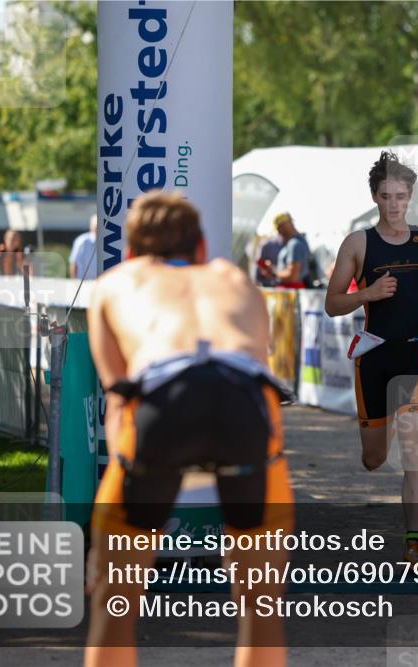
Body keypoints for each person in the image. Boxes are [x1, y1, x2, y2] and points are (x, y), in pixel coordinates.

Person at [85, 192, 293, 667]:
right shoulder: (233, 279)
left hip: (164, 400)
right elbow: (256, 375)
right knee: (261, 602)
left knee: (114, 600)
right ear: (201, 247)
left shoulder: (116, 282)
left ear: (132, 251)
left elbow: (119, 402)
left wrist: (122, 504)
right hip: (242, 400)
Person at [325, 151, 418, 563]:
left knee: (414, 447)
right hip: (374, 359)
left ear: (411, 196)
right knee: (375, 459)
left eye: (401, 196)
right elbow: (332, 303)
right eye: (386, 196)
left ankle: (413, 543)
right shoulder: (358, 243)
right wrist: (367, 293)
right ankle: (380, 430)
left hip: (416, 354)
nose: (394, 204)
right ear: (374, 197)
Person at [257, 212, 309, 288]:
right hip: (290, 290)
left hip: (291, 291)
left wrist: (273, 271)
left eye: (280, 227)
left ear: (289, 223)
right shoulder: (296, 242)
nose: (279, 231)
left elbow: (292, 276)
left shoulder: (294, 244)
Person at [70, 215, 99, 280]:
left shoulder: (105, 243)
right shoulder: (81, 241)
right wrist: (74, 281)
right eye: (96, 226)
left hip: (100, 282)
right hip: (83, 282)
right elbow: (74, 263)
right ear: (91, 226)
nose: (97, 229)